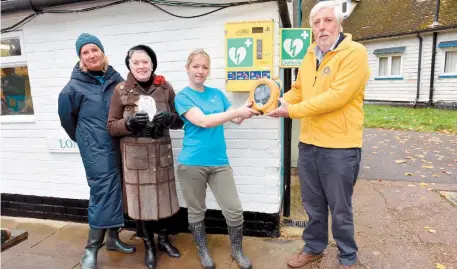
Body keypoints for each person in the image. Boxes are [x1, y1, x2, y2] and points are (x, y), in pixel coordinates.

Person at [267, 1, 370, 269]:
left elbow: (336, 98)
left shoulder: (354, 54)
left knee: (340, 209)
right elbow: (299, 89)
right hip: (309, 144)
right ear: (311, 28)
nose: (322, 27)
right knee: (312, 204)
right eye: (316, 22)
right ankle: (314, 247)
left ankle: (347, 257)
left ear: (339, 24)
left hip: (340, 147)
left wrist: (291, 111)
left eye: (327, 21)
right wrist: (276, 103)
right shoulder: (310, 54)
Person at [174, 49, 259, 269]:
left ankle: (237, 251)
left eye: (204, 67)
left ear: (208, 70)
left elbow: (236, 118)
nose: (200, 71)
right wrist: (235, 113)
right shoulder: (182, 96)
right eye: (196, 66)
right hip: (191, 163)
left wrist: (252, 106)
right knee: (196, 210)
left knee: (234, 209)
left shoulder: (216, 94)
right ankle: (203, 251)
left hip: (219, 162)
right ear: (187, 68)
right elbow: (202, 121)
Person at [58, 33, 136, 269]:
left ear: (102, 52)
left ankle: (112, 239)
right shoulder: (72, 88)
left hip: (119, 145)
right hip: (95, 150)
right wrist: (85, 140)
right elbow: (67, 121)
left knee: (118, 192)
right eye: (85, 52)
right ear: (81, 58)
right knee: (102, 195)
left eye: (94, 50)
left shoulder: (117, 80)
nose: (91, 55)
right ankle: (90, 250)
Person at [106, 45, 183, 269]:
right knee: (143, 205)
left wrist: (170, 118)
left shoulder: (165, 87)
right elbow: (111, 126)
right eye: (136, 62)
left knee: (165, 201)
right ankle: (149, 246)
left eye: (145, 61)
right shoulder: (121, 90)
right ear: (129, 65)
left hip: (161, 155)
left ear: (152, 64)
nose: (141, 66)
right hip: (136, 159)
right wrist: (128, 123)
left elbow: (180, 121)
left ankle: (164, 241)